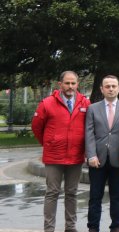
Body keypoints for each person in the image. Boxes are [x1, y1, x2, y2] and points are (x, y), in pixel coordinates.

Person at [32, 71, 90, 232]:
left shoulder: (85, 103)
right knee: (52, 193)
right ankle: (49, 228)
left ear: (78, 85)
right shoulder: (47, 103)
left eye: (73, 83)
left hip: (76, 156)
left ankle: (70, 227)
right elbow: (37, 127)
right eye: (67, 83)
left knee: (72, 193)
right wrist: (48, 143)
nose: (70, 86)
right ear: (60, 84)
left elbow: (89, 127)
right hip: (54, 157)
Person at [85, 75, 119, 232]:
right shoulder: (93, 108)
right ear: (101, 89)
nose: (111, 89)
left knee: (117, 196)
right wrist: (91, 155)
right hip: (97, 159)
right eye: (107, 86)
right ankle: (93, 227)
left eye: (113, 86)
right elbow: (89, 133)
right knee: (95, 196)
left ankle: (116, 226)